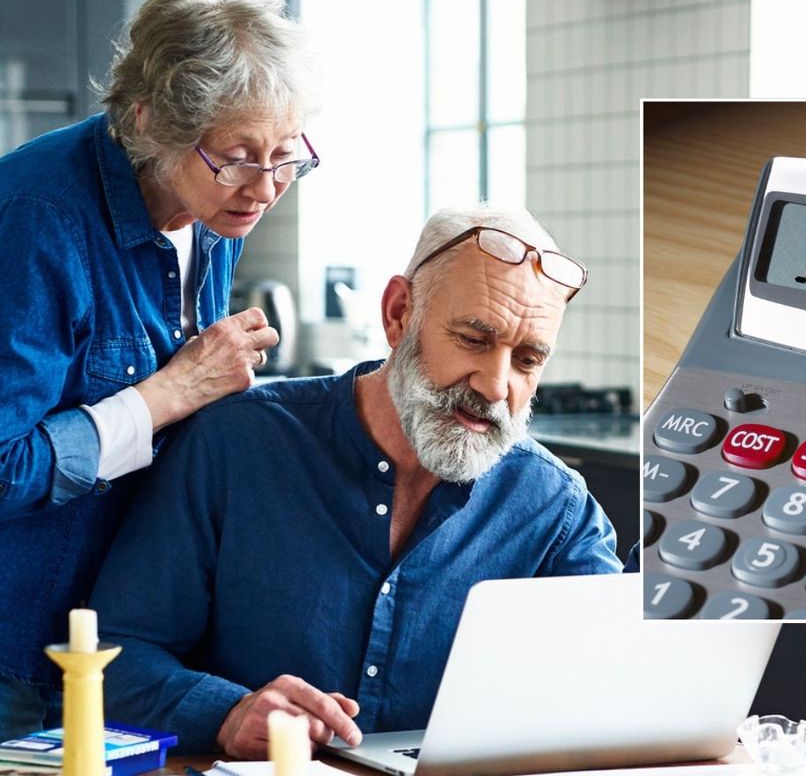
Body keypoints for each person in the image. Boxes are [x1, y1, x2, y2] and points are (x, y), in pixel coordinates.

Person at [90, 206, 622, 756]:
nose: (494, 385)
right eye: (472, 339)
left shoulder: (553, 507)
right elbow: (111, 655)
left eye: (527, 359)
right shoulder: (233, 443)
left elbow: (622, 679)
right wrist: (226, 711)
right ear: (398, 314)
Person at [0, 0, 320, 738]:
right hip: (23, 652)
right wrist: (167, 395)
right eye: (238, 159)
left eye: (286, 157)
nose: (265, 188)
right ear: (150, 123)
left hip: (136, 641)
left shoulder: (217, 204)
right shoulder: (37, 219)